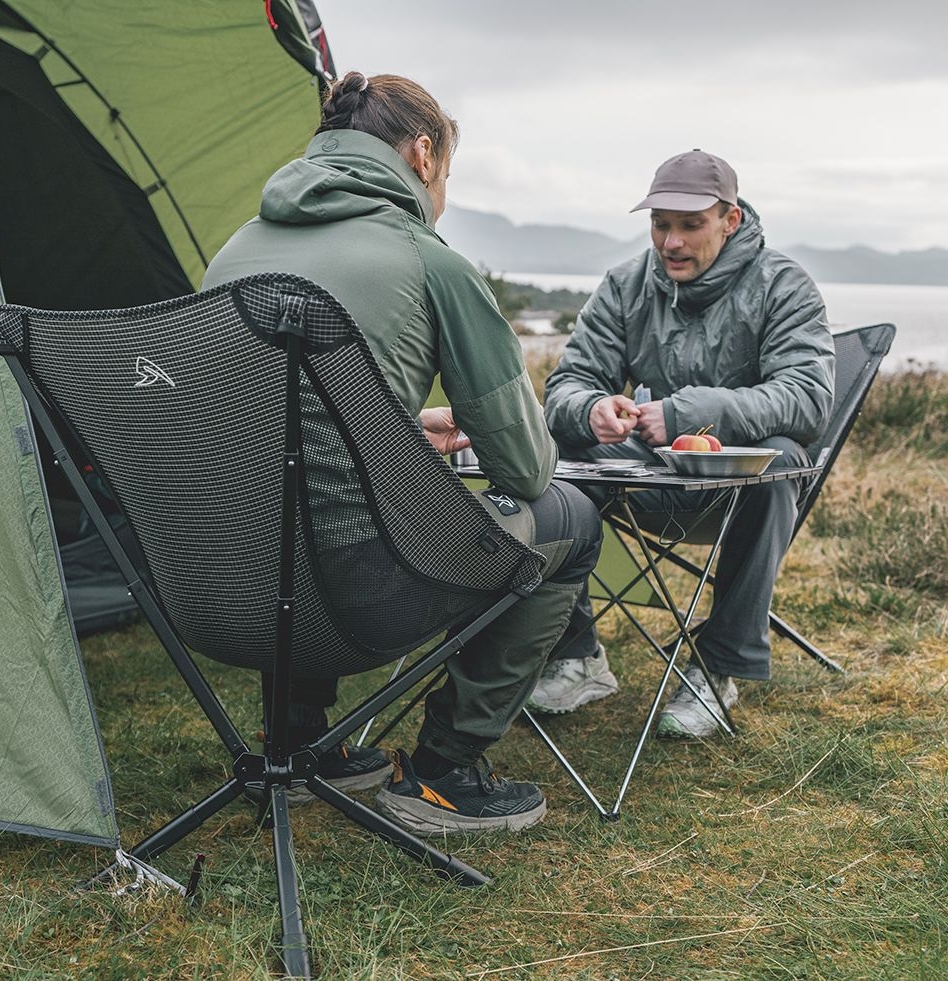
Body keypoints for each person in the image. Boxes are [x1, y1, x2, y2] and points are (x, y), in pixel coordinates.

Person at [202, 72, 602, 835]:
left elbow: (272, 428)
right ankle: (445, 772)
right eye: (446, 171)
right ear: (423, 155)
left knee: (290, 509)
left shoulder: (235, 253)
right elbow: (525, 471)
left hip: (221, 589)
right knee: (570, 518)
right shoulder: (429, 260)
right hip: (357, 600)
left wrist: (397, 429)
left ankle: (298, 743)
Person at [531, 149, 835, 737]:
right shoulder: (624, 285)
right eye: (660, 223)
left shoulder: (784, 285)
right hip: (647, 477)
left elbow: (808, 400)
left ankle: (716, 669)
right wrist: (591, 410)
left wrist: (687, 412)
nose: (671, 241)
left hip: (737, 488)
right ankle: (577, 655)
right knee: (552, 465)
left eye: (690, 224)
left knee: (777, 462)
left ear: (731, 220)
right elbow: (567, 385)